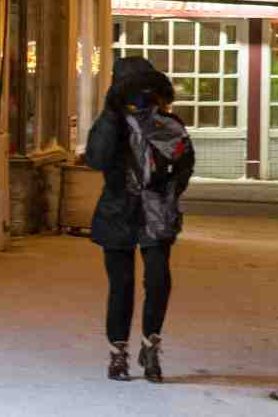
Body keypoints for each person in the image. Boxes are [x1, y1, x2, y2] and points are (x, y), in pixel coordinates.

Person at [85, 57, 195, 382]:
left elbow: (185, 161)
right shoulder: (110, 124)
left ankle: (151, 346)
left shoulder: (166, 122)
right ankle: (118, 354)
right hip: (118, 212)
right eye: (134, 90)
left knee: (158, 281)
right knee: (122, 286)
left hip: (156, 214)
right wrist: (111, 112)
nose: (140, 97)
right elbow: (97, 159)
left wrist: (169, 192)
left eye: (146, 89)